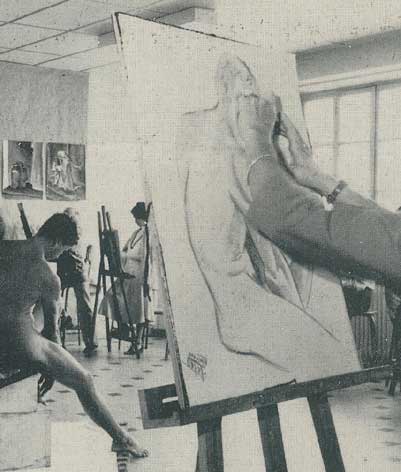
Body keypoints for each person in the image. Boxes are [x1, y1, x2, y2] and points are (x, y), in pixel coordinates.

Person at [0, 212, 148, 458]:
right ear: (57, 242)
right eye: (63, 250)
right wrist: (51, 367)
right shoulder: (48, 276)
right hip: (19, 343)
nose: (60, 255)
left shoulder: (5, 247)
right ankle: (122, 439)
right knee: (84, 380)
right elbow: (53, 334)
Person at [99, 202, 152, 356]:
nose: (135, 220)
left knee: (139, 310)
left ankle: (137, 342)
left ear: (142, 217)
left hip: (140, 276)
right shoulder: (136, 233)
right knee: (111, 296)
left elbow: (142, 255)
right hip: (127, 272)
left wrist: (123, 254)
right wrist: (116, 252)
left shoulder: (148, 234)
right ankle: (124, 329)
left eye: (136, 217)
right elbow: (125, 248)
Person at [56, 207, 97, 356]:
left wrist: (88, 260)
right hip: (64, 270)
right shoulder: (60, 230)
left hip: (79, 270)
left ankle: (91, 341)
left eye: (71, 217)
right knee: (54, 300)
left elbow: (91, 245)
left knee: (85, 306)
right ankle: (59, 334)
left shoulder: (81, 229)